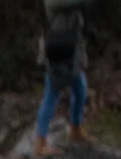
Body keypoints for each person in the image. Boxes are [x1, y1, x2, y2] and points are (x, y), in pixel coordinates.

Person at [36, 0, 93, 151]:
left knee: (80, 90)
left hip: (72, 52)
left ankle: (76, 128)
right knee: (51, 95)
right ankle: (40, 141)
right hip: (57, 53)